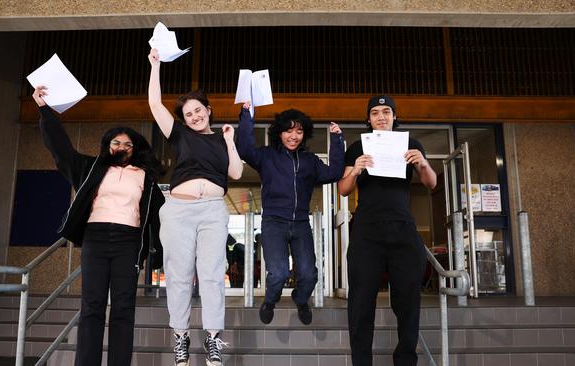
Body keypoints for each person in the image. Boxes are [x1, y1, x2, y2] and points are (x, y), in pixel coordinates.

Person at [32, 85, 166, 366]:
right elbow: (61, 149)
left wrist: (158, 254)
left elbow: (158, 217)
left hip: (128, 242)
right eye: (116, 143)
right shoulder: (91, 168)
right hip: (95, 238)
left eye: (128, 145)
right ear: (107, 146)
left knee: (123, 309)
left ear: (135, 149)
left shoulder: (146, 177)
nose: (122, 148)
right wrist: (45, 111)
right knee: (92, 307)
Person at [147, 48, 243, 366]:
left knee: (213, 274)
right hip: (179, 212)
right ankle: (181, 337)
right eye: (188, 114)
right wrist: (155, 66)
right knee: (179, 275)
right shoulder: (180, 135)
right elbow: (154, 105)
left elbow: (236, 173)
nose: (194, 116)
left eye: (198, 110)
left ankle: (213, 338)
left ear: (208, 110)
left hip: (213, 210)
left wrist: (230, 141)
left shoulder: (221, 139)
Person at [338, 95, 437, 366]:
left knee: (408, 303)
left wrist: (423, 164)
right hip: (367, 231)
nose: (381, 117)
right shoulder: (358, 146)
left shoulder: (412, 144)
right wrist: (355, 170)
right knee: (360, 304)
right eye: (375, 113)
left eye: (386, 112)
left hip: (403, 229)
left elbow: (431, 184)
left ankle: (405, 360)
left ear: (394, 116)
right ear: (368, 119)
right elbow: (344, 189)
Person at [236, 102, 344, 325]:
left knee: (309, 274)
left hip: (301, 223)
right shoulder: (266, 156)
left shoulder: (310, 161)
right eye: (288, 130)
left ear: (304, 134)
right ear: (279, 132)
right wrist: (247, 115)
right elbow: (245, 149)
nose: (294, 136)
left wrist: (336, 140)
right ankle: (270, 300)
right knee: (279, 273)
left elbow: (334, 172)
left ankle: (301, 299)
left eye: (299, 131)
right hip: (274, 222)